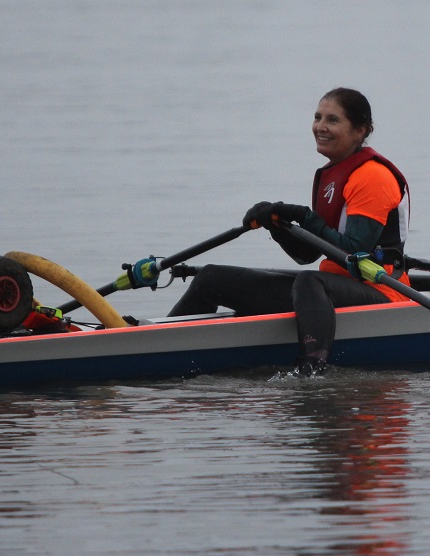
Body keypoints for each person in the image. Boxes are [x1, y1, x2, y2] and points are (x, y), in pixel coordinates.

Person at [165, 87, 411, 374]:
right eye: (318, 117)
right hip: (331, 290)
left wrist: (304, 217)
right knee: (210, 278)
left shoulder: (373, 176)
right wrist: (278, 225)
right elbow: (307, 254)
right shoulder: (332, 175)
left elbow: (351, 253)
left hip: (383, 293)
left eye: (333, 120)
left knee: (309, 282)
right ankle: (151, 345)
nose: (320, 127)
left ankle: (312, 367)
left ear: (360, 131)